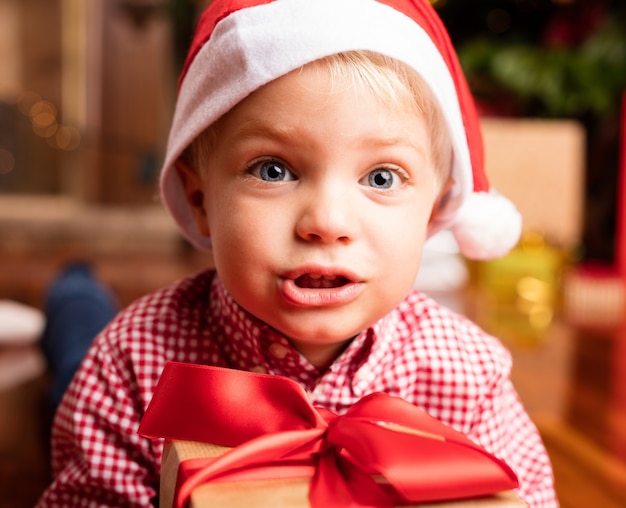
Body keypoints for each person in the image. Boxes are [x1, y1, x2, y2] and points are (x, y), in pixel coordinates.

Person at [36, 0, 558, 506]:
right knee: (75, 340)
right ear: (200, 201)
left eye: (381, 177)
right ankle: (73, 287)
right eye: (273, 170)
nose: (327, 222)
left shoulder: (469, 376)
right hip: (92, 362)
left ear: (434, 210)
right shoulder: (127, 366)